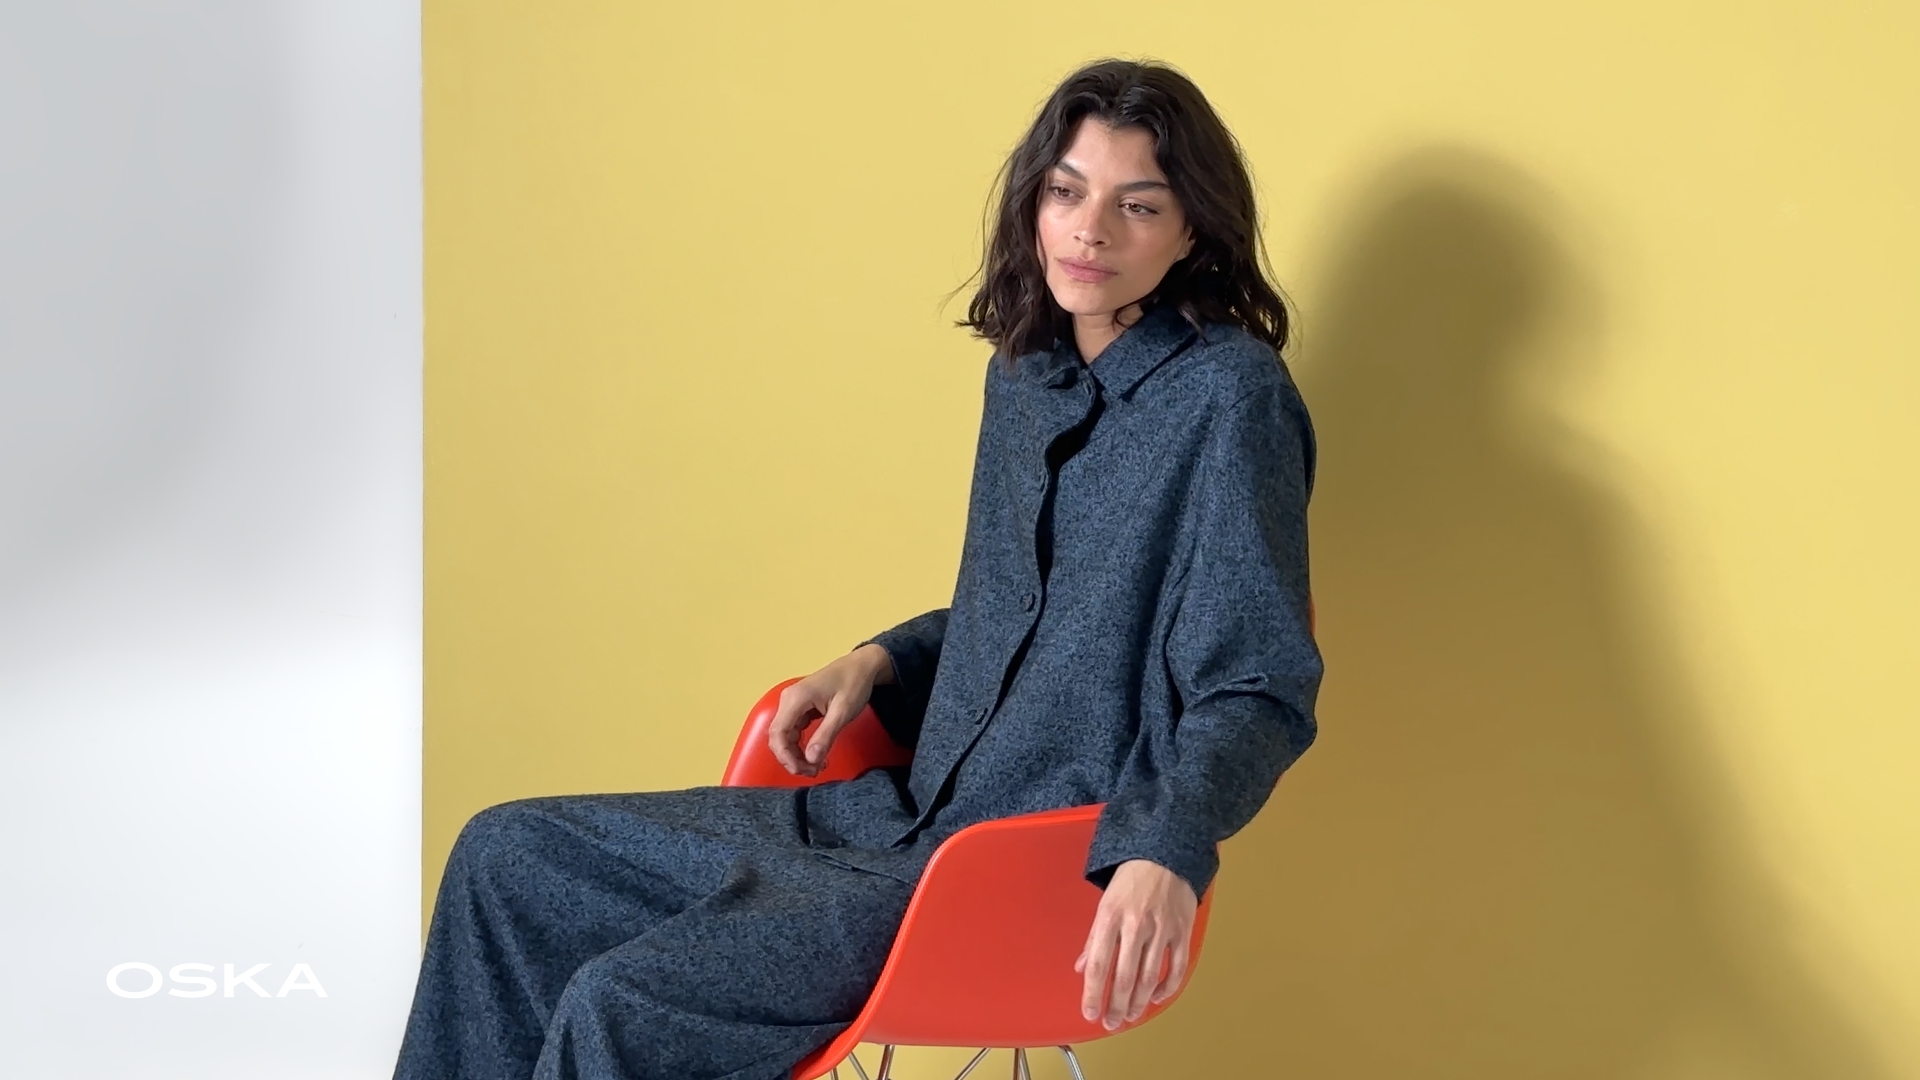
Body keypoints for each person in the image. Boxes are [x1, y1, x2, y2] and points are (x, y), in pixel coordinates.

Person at [394, 56, 1323, 1080]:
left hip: (1023, 870)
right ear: (1032, 202)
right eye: (1065, 191)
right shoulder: (1028, 373)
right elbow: (1024, 618)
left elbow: (1258, 681)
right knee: (506, 854)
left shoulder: (1230, 401)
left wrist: (1166, 846)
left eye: (1136, 205)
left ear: (1192, 230)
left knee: (625, 1000)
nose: (1089, 230)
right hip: (888, 824)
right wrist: (878, 661)